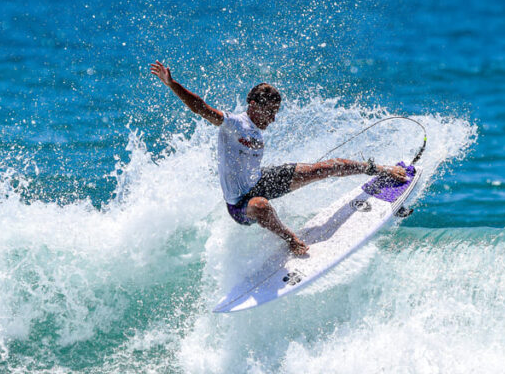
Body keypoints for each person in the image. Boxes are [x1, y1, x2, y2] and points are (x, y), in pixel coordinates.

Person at [149, 61, 409, 256]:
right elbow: (200, 107)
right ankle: (290, 240)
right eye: (270, 113)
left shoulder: (256, 132)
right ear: (254, 105)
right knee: (261, 206)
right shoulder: (234, 124)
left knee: (324, 168)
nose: (273, 119)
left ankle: (377, 169)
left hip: (260, 180)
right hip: (241, 204)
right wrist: (173, 84)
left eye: (275, 113)